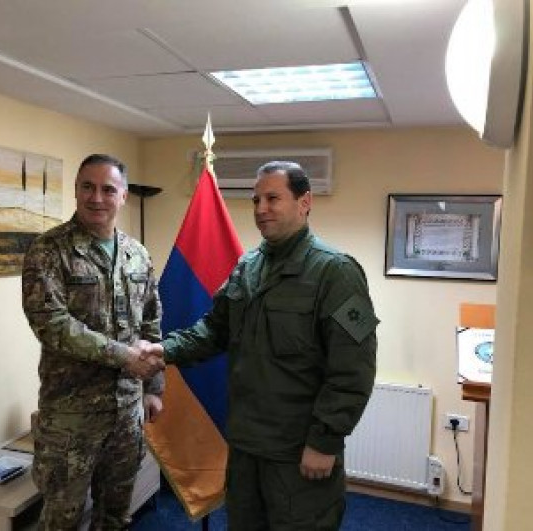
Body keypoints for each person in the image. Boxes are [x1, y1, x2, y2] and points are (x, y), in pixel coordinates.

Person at [141, 161, 378, 530]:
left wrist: (325, 441)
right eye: (256, 200)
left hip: (297, 450)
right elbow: (213, 330)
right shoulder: (247, 267)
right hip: (246, 445)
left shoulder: (337, 272)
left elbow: (354, 368)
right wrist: (163, 350)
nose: (261, 209)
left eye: (272, 198)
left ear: (305, 202)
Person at [22, 153, 165, 531]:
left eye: (108, 189)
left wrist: (153, 387)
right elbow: (51, 324)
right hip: (71, 418)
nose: (96, 198)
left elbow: (151, 322)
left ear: (124, 196)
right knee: (61, 520)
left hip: (126, 413)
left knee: (115, 516)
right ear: (76, 191)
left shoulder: (137, 254)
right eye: (88, 187)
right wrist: (123, 356)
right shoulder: (48, 250)